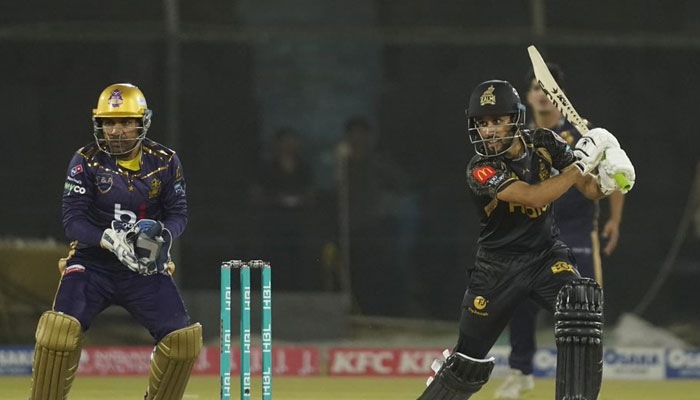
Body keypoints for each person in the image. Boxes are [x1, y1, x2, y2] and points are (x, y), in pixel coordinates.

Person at [416, 80, 635, 400]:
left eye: (497, 121)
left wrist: (610, 175)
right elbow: (533, 198)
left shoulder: (544, 141)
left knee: (581, 308)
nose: (488, 131)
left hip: (546, 256)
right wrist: (580, 161)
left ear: (515, 119)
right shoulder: (480, 168)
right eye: (482, 123)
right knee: (466, 363)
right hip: (496, 269)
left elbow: (588, 190)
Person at [29, 83, 201, 400]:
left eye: (124, 122)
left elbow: (178, 213)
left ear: (141, 122)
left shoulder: (164, 161)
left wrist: (164, 236)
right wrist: (108, 239)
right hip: (92, 264)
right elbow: (73, 221)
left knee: (182, 341)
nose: (116, 130)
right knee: (58, 333)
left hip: (143, 269)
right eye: (109, 122)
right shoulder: (85, 161)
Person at [494, 64, 626, 399]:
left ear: (560, 97)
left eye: (548, 88)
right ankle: (521, 372)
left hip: (578, 229)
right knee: (519, 300)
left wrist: (614, 219)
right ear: (527, 96)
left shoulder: (587, 134)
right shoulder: (519, 137)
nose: (541, 94)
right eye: (535, 88)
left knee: (582, 305)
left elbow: (614, 179)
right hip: (534, 228)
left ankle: (586, 377)